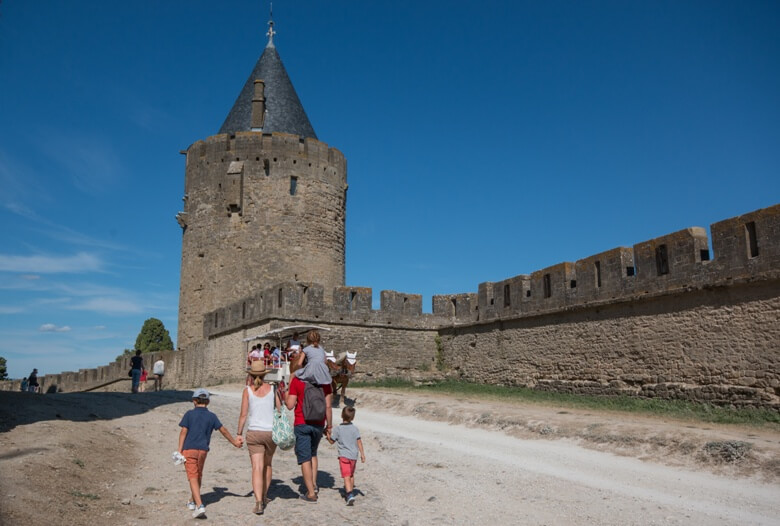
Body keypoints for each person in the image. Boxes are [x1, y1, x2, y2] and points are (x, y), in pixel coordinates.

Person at [178, 388, 243, 518]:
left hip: (189, 449)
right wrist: (234, 442)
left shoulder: (189, 414)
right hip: (203, 450)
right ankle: (192, 500)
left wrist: (179, 450)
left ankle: (199, 505)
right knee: (198, 475)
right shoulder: (212, 416)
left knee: (192, 477)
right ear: (208, 402)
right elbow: (223, 430)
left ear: (194, 401)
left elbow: (183, 432)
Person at [285, 353, 333, 502]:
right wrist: (329, 426)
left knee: (305, 457)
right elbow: (328, 406)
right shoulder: (325, 383)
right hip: (318, 423)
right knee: (313, 453)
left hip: (302, 422)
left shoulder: (297, 381)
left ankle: (311, 492)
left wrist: (288, 388)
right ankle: (314, 484)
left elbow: (290, 405)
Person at [237, 361, 282, 515]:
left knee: (257, 467)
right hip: (270, 433)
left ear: (251, 375)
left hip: (254, 433)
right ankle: (264, 496)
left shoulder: (247, 391)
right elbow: (279, 410)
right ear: (264, 374)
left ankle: (258, 502)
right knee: (267, 465)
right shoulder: (273, 389)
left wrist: (238, 433)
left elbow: (243, 415)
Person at [326, 406, 366, 505]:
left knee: (346, 475)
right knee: (351, 474)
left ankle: (349, 494)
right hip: (353, 456)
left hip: (344, 456)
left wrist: (327, 436)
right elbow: (359, 442)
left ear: (341, 416)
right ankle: (350, 491)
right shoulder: (355, 429)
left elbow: (332, 441)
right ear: (352, 418)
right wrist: (362, 454)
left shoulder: (338, 429)